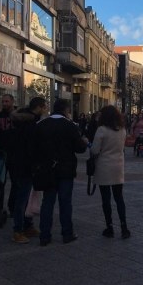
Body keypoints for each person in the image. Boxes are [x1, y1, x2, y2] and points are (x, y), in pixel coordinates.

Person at [32, 99, 88, 246]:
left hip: (47, 170)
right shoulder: (70, 126)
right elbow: (80, 148)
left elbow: (34, 148)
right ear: (65, 110)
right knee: (65, 203)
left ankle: (44, 235)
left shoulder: (41, 125)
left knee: (47, 203)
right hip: (66, 170)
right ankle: (67, 233)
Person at [6, 97, 48, 244]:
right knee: (22, 198)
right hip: (25, 165)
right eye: (45, 107)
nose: (46, 109)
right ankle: (18, 230)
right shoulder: (30, 123)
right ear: (39, 107)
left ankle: (27, 225)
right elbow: (31, 147)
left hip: (19, 162)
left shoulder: (23, 120)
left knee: (28, 197)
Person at [90, 105, 131, 239]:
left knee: (106, 199)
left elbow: (95, 150)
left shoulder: (101, 130)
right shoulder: (122, 130)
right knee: (119, 198)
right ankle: (124, 227)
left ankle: (110, 227)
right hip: (118, 166)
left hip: (104, 166)